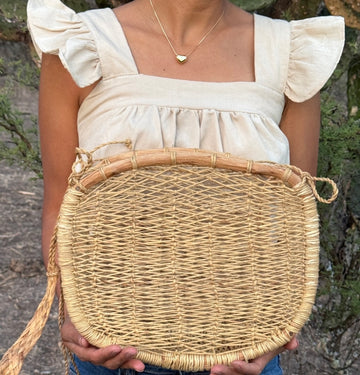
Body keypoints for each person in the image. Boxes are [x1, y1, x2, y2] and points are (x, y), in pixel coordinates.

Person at [26, 0, 345, 374]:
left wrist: (273, 338)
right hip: (114, 348)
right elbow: (60, 209)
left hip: (242, 352)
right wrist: (76, 314)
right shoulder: (81, 43)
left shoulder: (288, 54)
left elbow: (293, 223)